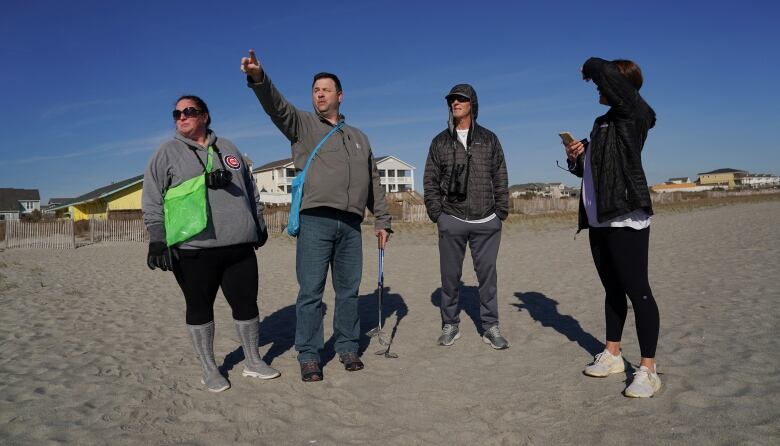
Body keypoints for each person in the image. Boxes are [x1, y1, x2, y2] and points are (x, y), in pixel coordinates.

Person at [240, 50, 392, 382]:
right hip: (315, 221)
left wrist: (382, 220)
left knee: (348, 290)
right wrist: (258, 78)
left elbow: (374, 181)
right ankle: (309, 354)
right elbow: (276, 107)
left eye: (325, 89)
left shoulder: (360, 138)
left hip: (351, 225)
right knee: (310, 292)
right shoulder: (304, 125)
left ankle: (348, 347)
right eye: (315, 90)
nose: (319, 94)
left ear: (340, 95)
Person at [142, 95, 279, 393]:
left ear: (205, 116)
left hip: (239, 246)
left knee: (246, 305)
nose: (181, 117)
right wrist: (157, 240)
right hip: (194, 250)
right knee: (200, 308)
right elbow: (152, 198)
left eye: (188, 111)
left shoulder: (229, 147)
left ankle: (253, 361)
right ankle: (209, 368)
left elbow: (250, 189)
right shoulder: (167, 152)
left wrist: (259, 224)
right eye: (176, 113)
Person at [563, 57, 661, 398]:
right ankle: (613, 354)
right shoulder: (601, 122)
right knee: (612, 289)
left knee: (639, 291)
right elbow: (596, 170)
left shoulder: (634, 113)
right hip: (598, 218)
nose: (598, 88)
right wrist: (579, 156)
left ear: (620, 86)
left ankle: (648, 369)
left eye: (603, 84)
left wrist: (589, 65)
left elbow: (607, 77)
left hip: (626, 216)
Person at [423, 84, 509, 350]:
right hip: (452, 219)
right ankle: (450, 324)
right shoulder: (440, 141)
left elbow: (500, 176)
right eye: (452, 99)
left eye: (461, 99)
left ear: (473, 104)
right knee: (449, 276)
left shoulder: (489, 138)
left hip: (486, 221)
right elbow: (430, 180)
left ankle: (490, 326)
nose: (455, 103)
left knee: (488, 277)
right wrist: (439, 215)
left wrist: (500, 212)